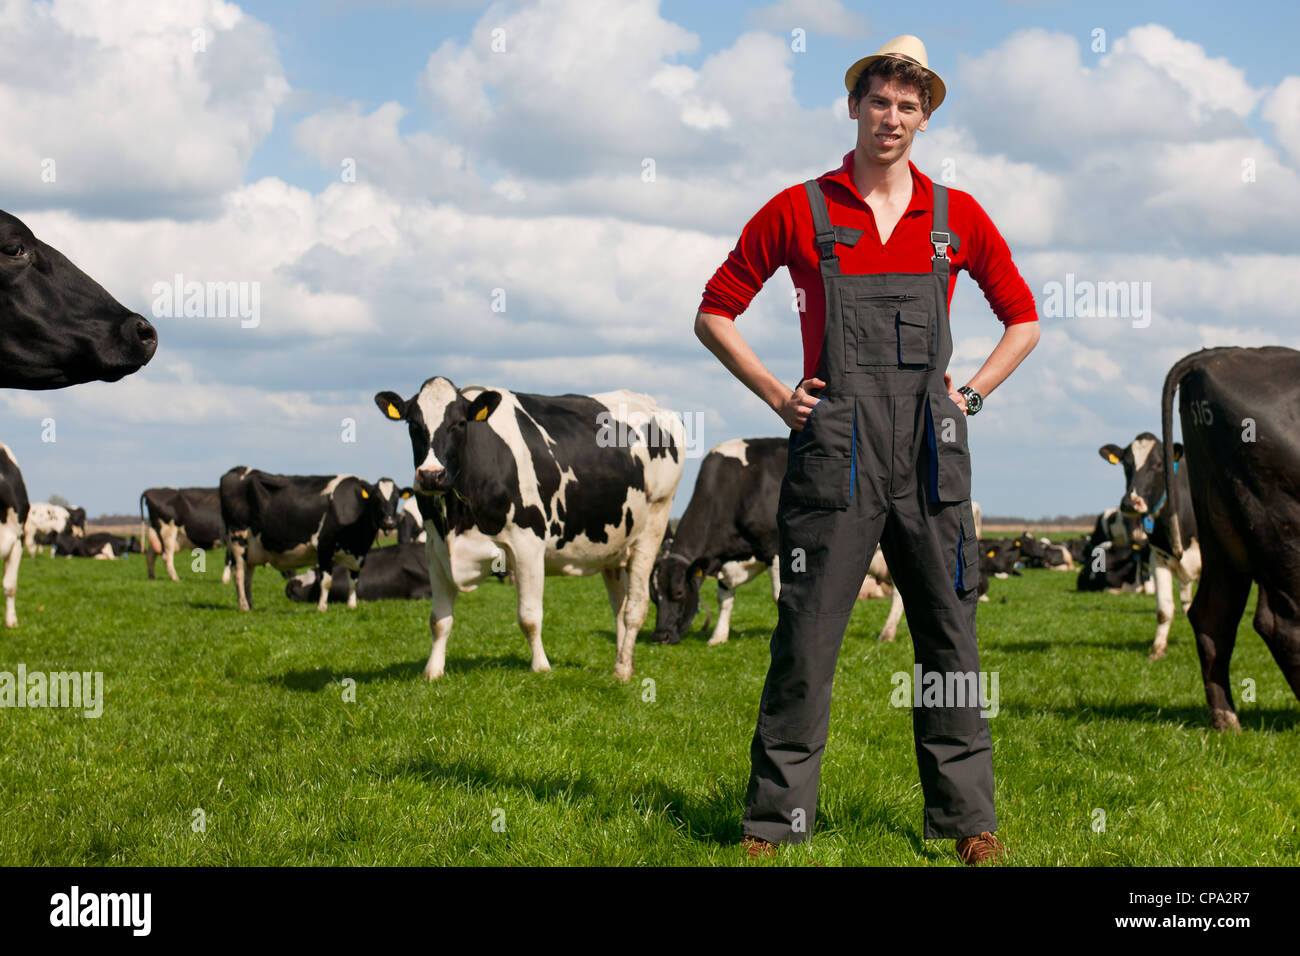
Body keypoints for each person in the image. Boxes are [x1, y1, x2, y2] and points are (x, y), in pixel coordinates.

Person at [693, 35, 1039, 865]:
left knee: (950, 641)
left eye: (908, 107)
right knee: (806, 641)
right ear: (854, 106)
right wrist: (781, 395)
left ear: (925, 118)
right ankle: (772, 825)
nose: (892, 118)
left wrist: (972, 393)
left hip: (931, 454)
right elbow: (714, 310)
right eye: (879, 101)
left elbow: (1022, 316)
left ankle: (968, 825)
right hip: (833, 456)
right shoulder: (801, 209)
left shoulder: (956, 218)